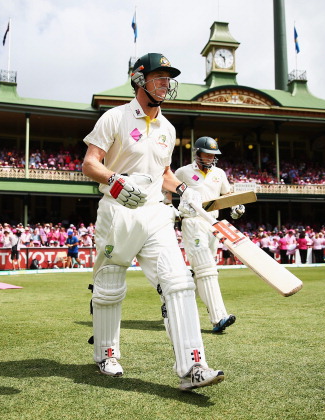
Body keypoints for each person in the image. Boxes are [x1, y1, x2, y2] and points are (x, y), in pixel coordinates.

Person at [82, 53, 224, 390]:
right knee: (110, 285)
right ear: (138, 79)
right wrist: (116, 181)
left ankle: (193, 368)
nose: (165, 83)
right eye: (159, 77)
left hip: (156, 213)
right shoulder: (115, 117)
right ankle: (106, 353)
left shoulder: (168, 128)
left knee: (179, 282)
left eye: (168, 78)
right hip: (118, 209)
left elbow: (163, 173)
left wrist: (184, 190)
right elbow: (90, 163)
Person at [174, 136, 244, 333]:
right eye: (207, 153)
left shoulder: (219, 173)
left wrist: (235, 206)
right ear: (197, 153)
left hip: (213, 224)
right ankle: (218, 317)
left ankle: (173, 306)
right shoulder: (183, 172)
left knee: (204, 270)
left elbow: (226, 194)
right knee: (206, 269)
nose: (211, 157)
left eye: (214, 154)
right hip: (192, 221)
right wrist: (168, 209)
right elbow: (167, 189)